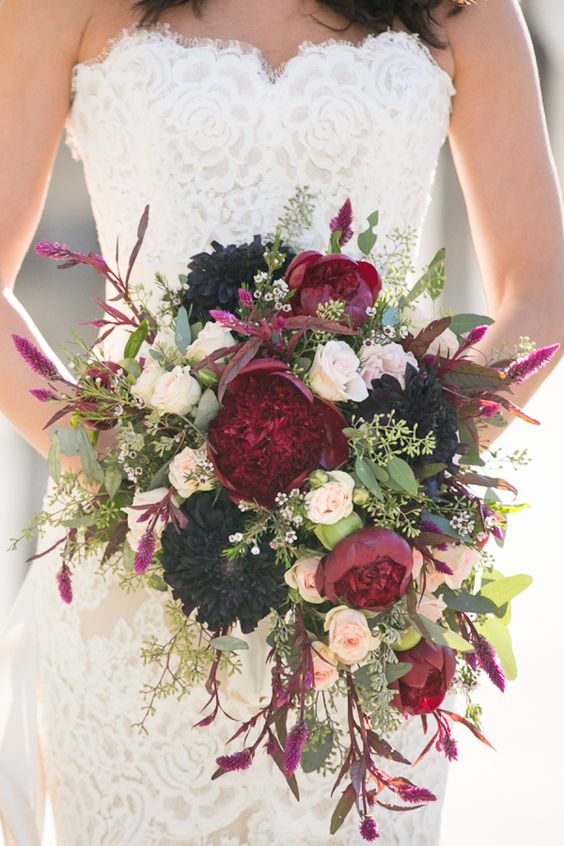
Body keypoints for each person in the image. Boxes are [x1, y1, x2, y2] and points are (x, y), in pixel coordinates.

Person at [0, 1, 562, 844]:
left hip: (368, 598)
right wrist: (108, 456)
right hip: (141, 562)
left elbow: (542, 287)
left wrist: (403, 474)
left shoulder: (466, 10)